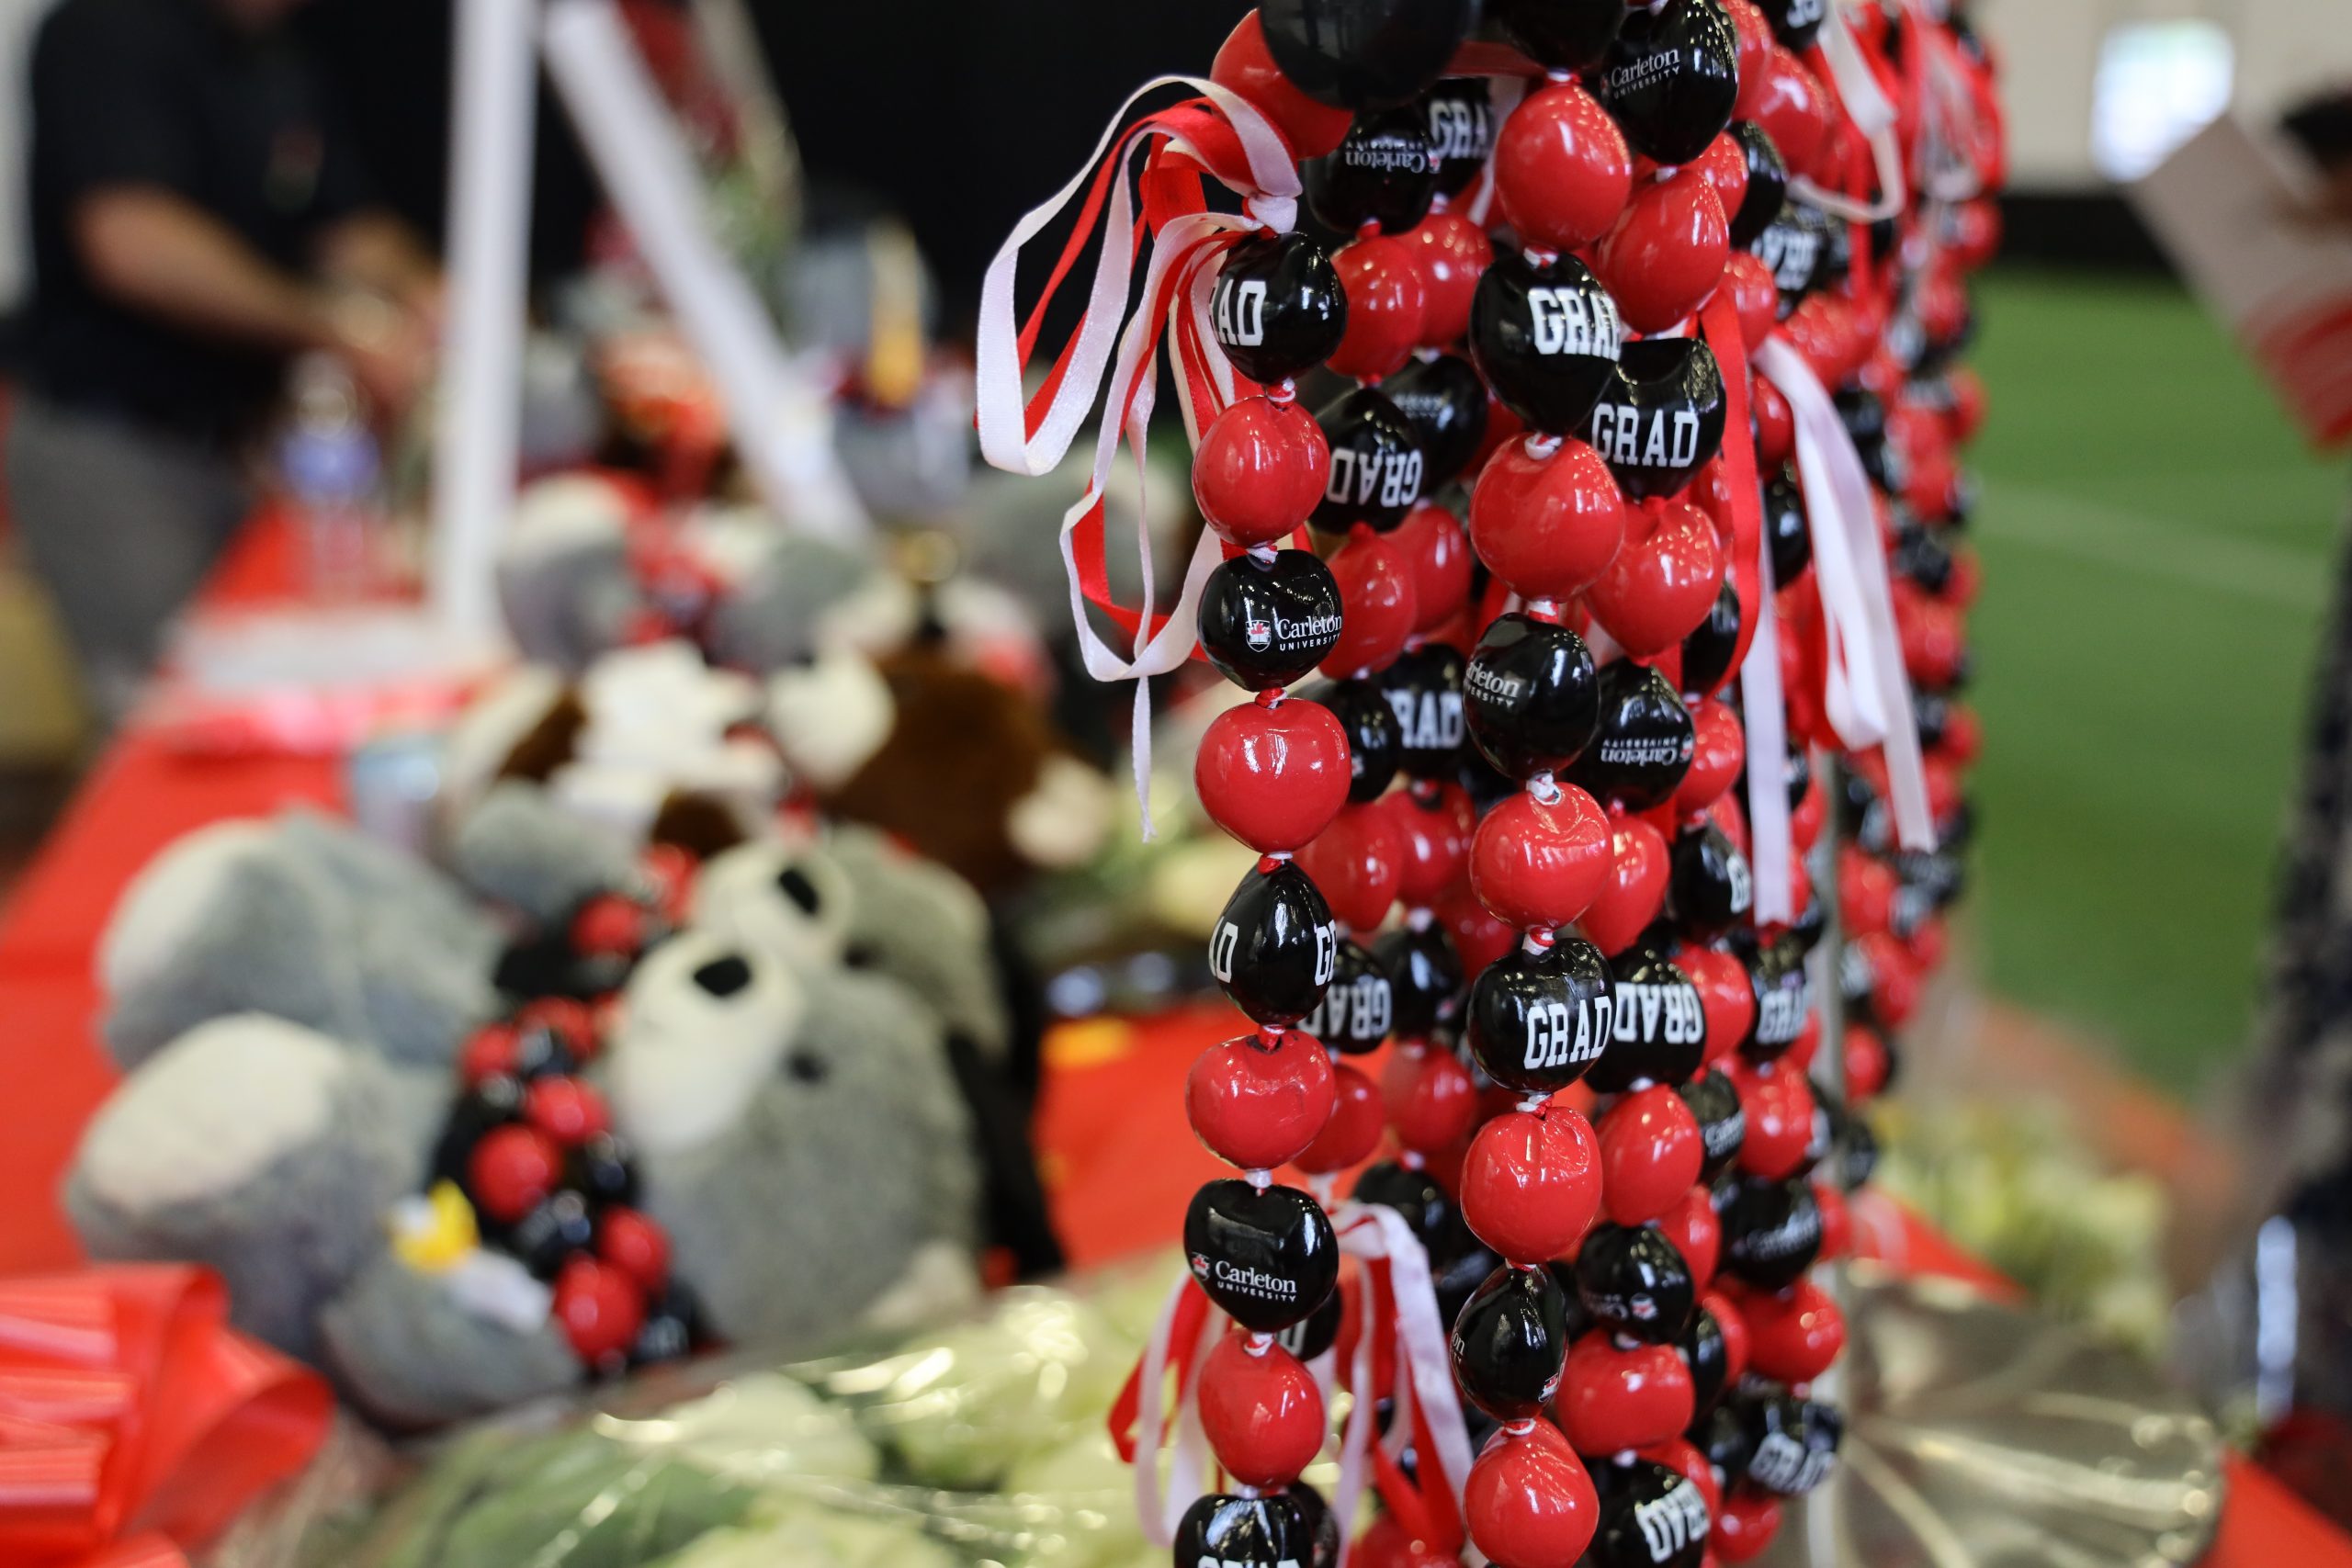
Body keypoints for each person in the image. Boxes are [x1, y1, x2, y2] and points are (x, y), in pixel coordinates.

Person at [8, 0, 440, 722]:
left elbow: (337, 221)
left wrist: (429, 296)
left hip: (235, 446)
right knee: (177, 721)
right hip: (117, 452)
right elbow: (134, 243)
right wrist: (333, 328)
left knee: (276, 676)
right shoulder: (106, 31)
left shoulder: (275, 52)